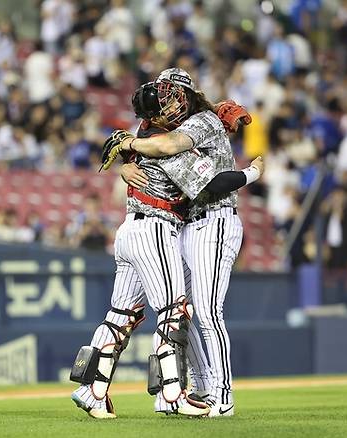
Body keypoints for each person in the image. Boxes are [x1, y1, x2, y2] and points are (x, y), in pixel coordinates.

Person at [103, 68, 259, 417]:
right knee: (183, 311)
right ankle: (199, 388)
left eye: (174, 95)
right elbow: (150, 149)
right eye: (165, 96)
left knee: (205, 310)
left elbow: (174, 151)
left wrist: (125, 144)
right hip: (187, 223)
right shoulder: (162, 124)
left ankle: (222, 395)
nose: (169, 103)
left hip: (214, 218)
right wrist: (123, 165)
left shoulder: (203, 119)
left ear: (187, 93)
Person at [70, 79, 213, 420]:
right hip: (155, 227)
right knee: (174, 311)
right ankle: (172, 394)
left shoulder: (138, 135)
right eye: (165, 104)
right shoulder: (164, 142)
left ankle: (92, 390)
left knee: (121, 316)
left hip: (129, 231)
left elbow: (119, 146)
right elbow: (204, 182)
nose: (172, 106)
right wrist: (248, 174)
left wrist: (123, 159)